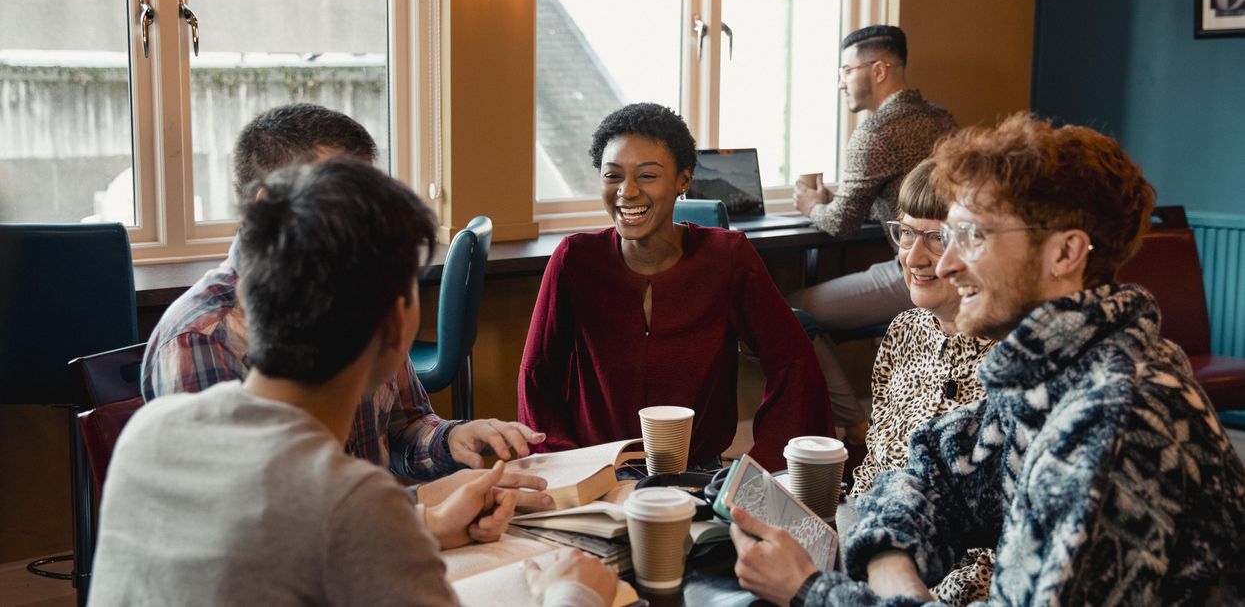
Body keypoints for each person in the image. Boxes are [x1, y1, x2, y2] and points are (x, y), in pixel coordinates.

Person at [730, 113, 1245, 605]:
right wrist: (893, 565)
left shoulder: (1113, 421)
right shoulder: (1054, 372)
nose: (947, 264)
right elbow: (929, 471)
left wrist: (810, 590)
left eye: (973, 236)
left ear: (1065, 254)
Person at [90, 158, 618, 606]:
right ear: (396, 325)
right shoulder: (353, 503)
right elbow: (325, 522)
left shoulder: (149, 433)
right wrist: (572, 595)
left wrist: (423, 526)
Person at [141, 103, 550, 504]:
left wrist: (452, 439)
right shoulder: (201, 338)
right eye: (346, 196)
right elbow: (249, 524)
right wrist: (418, 510)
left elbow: (403, 425)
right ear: (268, 206)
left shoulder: (361, 288)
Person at [518, 102, 832, 470]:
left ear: (683, 180)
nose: (627, 191)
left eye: (648, 176)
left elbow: (793, 362)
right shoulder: (574, 259)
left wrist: (762, 468)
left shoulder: (727, 256)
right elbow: (536, 376)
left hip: (699, 471)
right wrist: (567, 466)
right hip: (597, 473)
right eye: (612, 175)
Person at [788, 25, 958, 441]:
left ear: (879, 70)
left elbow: (841, 223)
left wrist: (811, 204)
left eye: (847, 70)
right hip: (957, 262)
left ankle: (854, 422)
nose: (841, 81)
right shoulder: (941, 118)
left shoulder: (875, 132)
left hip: (917, 269)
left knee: (788, 314)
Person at [847, 159, 996, 605]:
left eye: (938, 237)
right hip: (873, 547)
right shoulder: (904, 332)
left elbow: (995, 547)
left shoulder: (1012, 362)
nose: (914, 256)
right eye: (907, 233)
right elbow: (874, 465)